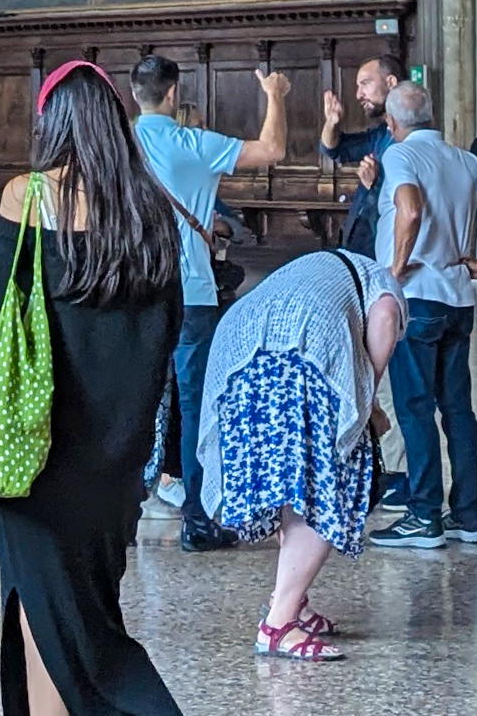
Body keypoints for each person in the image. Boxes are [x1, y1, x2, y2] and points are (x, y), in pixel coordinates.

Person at [0, 61, 184, 716]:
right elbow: (166, 334)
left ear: (49, 123)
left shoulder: (25, 197)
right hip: (117, 467)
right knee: (62, 624)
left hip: (39, 460)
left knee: (80, 639)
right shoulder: (150, 212)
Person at [197, 242, 405, 662]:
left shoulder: (319, 268)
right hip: (297, 357)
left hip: (239, 348)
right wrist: (367, 405)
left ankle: (293, 602)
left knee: (287, 486)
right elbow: (383, 318)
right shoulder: (383, 284)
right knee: (322, 485)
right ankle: (278, 626)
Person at [130, 57, 293, 551]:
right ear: (174, 95)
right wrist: (275, 95)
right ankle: (198, 521)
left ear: (135, 94)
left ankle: (122, 512)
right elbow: (273, 149)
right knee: (197, 406)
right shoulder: (190, 144)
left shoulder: (117, 146)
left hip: (133, 289)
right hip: (192, 291)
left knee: (131, 401)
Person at [374, 79, 477, 549]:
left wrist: (393, 272)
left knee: (415, 408)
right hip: (458, 299)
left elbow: (409, 211)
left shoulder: (400, 156)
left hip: (417, 298)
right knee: (457, 409)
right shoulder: (464, 159)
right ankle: (467, 515)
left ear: (393, 122)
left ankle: (422, 515)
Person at [319, 57, 396, 256]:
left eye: (365, 84)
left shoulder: (408, 139)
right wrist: (332, 123)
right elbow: (335, 150)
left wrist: (374, 185)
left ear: (391, 83)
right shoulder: (381, 133)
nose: (359, 94)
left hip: (383, 250)